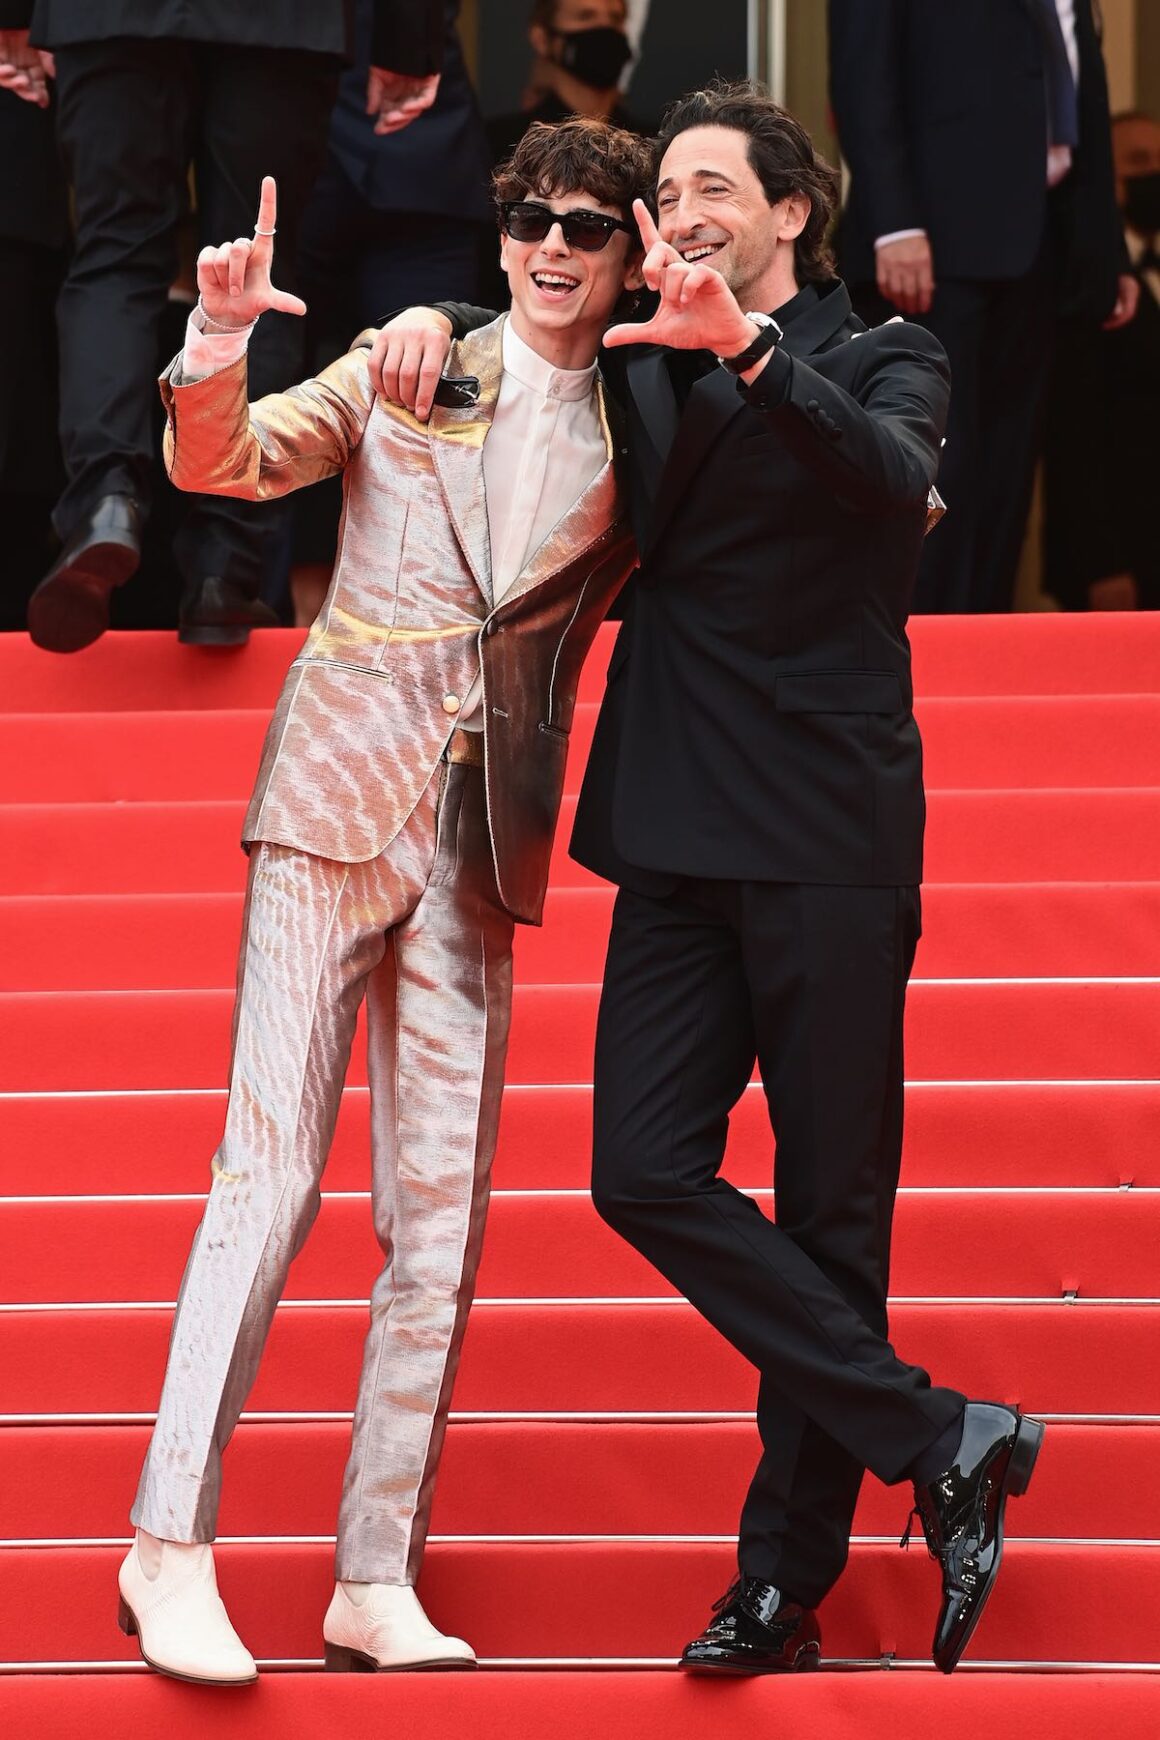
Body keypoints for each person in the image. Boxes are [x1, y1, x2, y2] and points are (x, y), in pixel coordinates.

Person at [370, 77, 1044, 1677]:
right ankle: (943, 1432)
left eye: (711, 188)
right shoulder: (632, 365)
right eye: (664, 192)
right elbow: (520, 322)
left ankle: (780, 1587)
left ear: (791, 212)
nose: (679, 215)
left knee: (830, 1214)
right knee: (638, 1170)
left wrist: (740, 350)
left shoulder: (887, 352)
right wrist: (418, 319)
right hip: (673, 826)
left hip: (829, 832)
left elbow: (892, 491)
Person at [117, 118, 646, 1686]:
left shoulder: (648, 427)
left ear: (625, 259)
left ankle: (371, 1571)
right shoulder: (407, 363)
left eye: (590, 228)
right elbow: (223, 461)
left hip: (479, 847)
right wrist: (218, 330)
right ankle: (167, 1545)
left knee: (441, 1223)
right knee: (265, 1177)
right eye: (535, 219)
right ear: (500, 240)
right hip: (335, 804)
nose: (557, 246)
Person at [0, 0, 446, 652]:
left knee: (114, 257)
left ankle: (106, 500)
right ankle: (225, 560)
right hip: (284, 21)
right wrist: (410, 37)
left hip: (107, 13)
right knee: (256, 266)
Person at [829, 0, 1136, 614]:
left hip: (1043, 242)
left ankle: (981, 647)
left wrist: (1108, 248)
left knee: (1006, 474)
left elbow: (1078, 86)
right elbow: (864, 73)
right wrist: (895, 224)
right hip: (935, 243)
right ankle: (918, 661)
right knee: (937, 467)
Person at [291, 0, 492, 626]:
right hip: (394, 128)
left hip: (294, 111)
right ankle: (275, 600)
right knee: (411, 395)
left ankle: (232, 577)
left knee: (425, 380)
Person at [1044, 110, 1160, 612]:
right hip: (1117, 555)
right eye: (1139, 162)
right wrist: (1100, 561)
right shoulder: (1081, 285)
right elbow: (1072, 429)